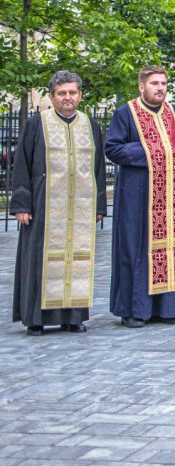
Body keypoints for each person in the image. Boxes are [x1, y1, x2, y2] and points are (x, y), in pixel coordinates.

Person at [11, 71, 106, 336]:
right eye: (62, 93)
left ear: (80, 95)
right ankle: (36, 319)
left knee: (77, 260)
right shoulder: (36, 124)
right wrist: (21, 205)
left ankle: (73, 317)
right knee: (39, 260)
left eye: (72, 92)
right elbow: (21, 165)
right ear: (52, 96)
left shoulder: (89, 125)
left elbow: (99, 169)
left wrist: (99, 206)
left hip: (80, 207)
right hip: (43, 206)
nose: (68, 98)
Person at [106, 66, 175, 327]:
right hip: (138, 195)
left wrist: (171, 152)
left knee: (172, 247)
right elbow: (113, 148)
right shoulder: (126, 113)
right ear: (141, 86)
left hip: (172, 196)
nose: (160, 88)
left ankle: (170, 308)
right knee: (135, 249)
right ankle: (134, 310)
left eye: (164, 84)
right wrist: (155, 152)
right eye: (155, 83)